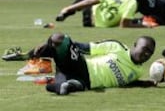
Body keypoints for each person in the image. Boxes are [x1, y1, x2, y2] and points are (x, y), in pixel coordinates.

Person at [13, 32, 157, 95]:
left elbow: (126, 83)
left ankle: (62, 85)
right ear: (135, 44)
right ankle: (30, 56)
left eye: (149, 53)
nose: (146, 54)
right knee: (59, 37)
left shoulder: (138, 72)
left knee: (67, 86)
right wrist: (58, 46)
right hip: (81, 66)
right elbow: (85, 48)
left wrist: (143, 83)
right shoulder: (116, 47)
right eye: (144, 49)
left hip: (87, 83)